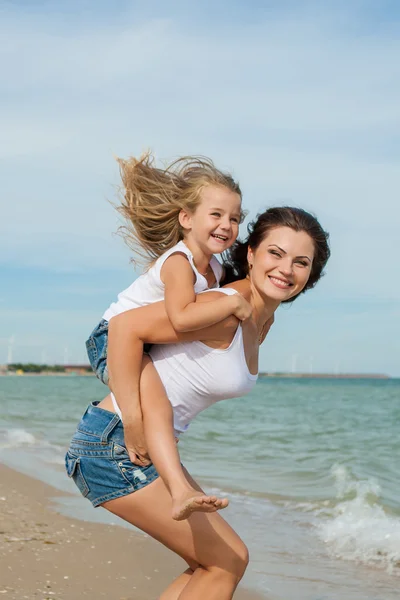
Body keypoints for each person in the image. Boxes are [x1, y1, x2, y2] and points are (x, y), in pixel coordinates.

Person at [66, 206, 330, 599]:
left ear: (311, 274)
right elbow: (124, 327)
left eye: (300, 262)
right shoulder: (224, 309)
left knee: (213, 564)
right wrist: (135, 421)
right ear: (252, 254)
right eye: (275, 253)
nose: (286, 269)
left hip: (141, 448)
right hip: (116, 446)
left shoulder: (261, 318)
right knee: (227, 560)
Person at [85, 151, 253, 520]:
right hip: (109, 338)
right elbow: (182, 315)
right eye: (216, 215)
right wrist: (232, 305)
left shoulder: (215, 268)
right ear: (186, 218)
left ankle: (176, 487)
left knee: (159, 404)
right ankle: (132, 432)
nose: (226, 225)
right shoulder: (179, 263)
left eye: (235, 218)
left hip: (143, 340)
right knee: (153, 406)